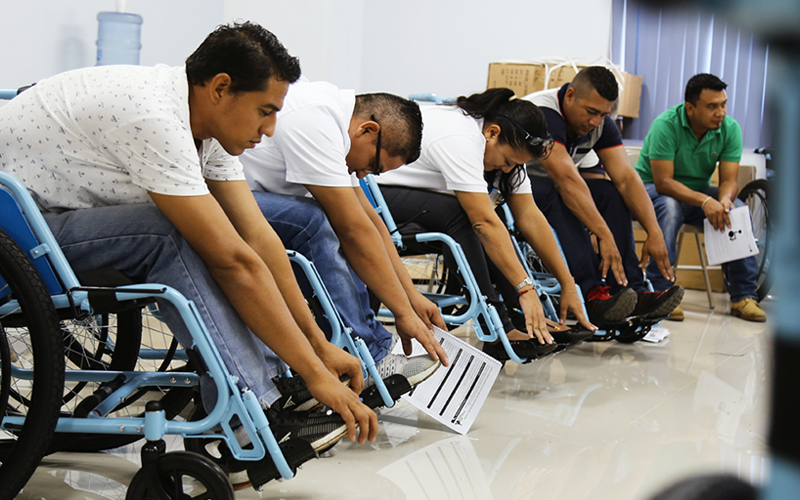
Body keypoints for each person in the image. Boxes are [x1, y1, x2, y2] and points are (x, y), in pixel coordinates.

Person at [0, 22, 378, 468]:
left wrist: (317, 346)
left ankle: (269, 388)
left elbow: (256, 239)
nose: (272, 129)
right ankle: (253, 413)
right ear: (221, 88)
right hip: (16, 241)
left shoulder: (205, 126)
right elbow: (233, 262)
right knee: (174, 236)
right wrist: (317, 373)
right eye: (265, 111)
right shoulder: (153, 117)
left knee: (215, 240)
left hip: (46, 225)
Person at [239, 80, 448, 386]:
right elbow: (353, 230)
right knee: (313, 220)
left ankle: (343, 353)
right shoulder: (316, 120)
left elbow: (371, 223)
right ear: (368, 130)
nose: (364, 175)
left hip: (253, 203)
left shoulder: (340, 123)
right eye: (374, 166)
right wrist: (401, 312)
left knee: (333, 227)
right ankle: (371, 355)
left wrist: (411, 297)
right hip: (220, 199)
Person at [373, 88, 596, 362]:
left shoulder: (506, 146)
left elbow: (530, 217)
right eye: (507, 162)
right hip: (376, 194)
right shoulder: (461, 137)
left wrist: (568, 284)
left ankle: (517, 317)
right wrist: (526, 289)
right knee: (470, 216)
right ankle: (498, 324)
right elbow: (482, 222)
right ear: (492, 133)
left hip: (419, 200)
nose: (506, 169)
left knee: (496, 219)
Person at [522, 66, 684, 326]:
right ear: (570, 96)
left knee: (609, 193)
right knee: (562, 194)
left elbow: (626, 178)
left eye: (603, 114)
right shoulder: (545, 112)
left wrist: (654, 231)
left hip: (554, 186)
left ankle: (631, 290)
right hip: (516, 188)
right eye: (591, 112)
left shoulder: (600, 124)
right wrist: (603, 233)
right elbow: (564, 179)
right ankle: (590, 291)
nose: (596, 121)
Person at [635, 73, 765, 322]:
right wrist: (706, 201)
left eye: (723, 104)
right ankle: (660, 293)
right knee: (670, 207)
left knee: (737, 209)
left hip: (694, 194)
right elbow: (664, 183)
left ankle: (743, 297)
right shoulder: (666, 124)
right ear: (690, 108)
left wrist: (724, 200)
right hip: (650, 190)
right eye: (712, 106)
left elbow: (728, 180)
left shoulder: (730, 129)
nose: (721, 112)